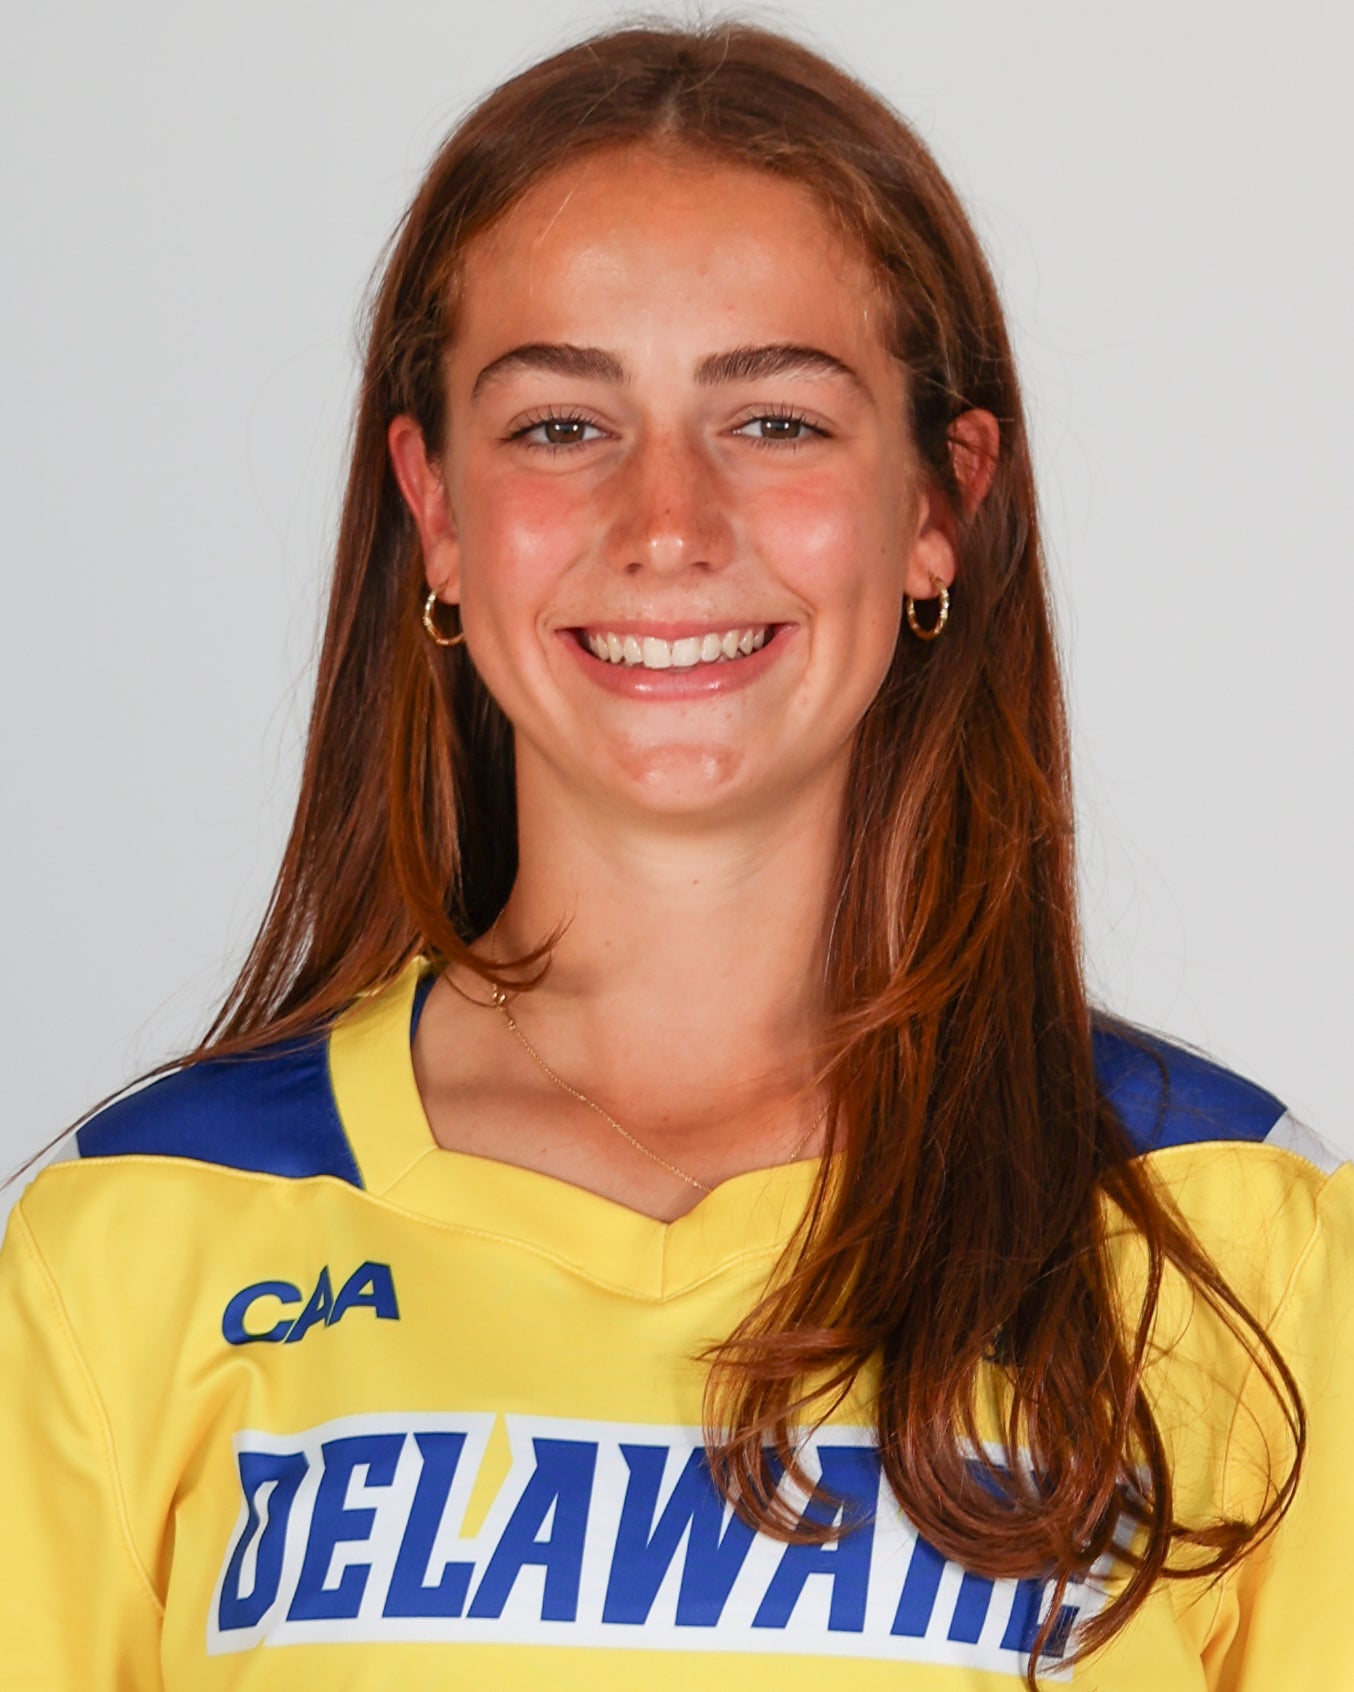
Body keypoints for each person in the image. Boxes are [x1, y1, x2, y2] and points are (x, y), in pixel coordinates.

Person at [1, 21, 1348, 1690]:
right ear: (436, 508)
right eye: (561, 426)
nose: (665, 526)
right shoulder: (136, 1234)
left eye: (773, 420)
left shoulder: (1238, 1233)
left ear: (939, 503)